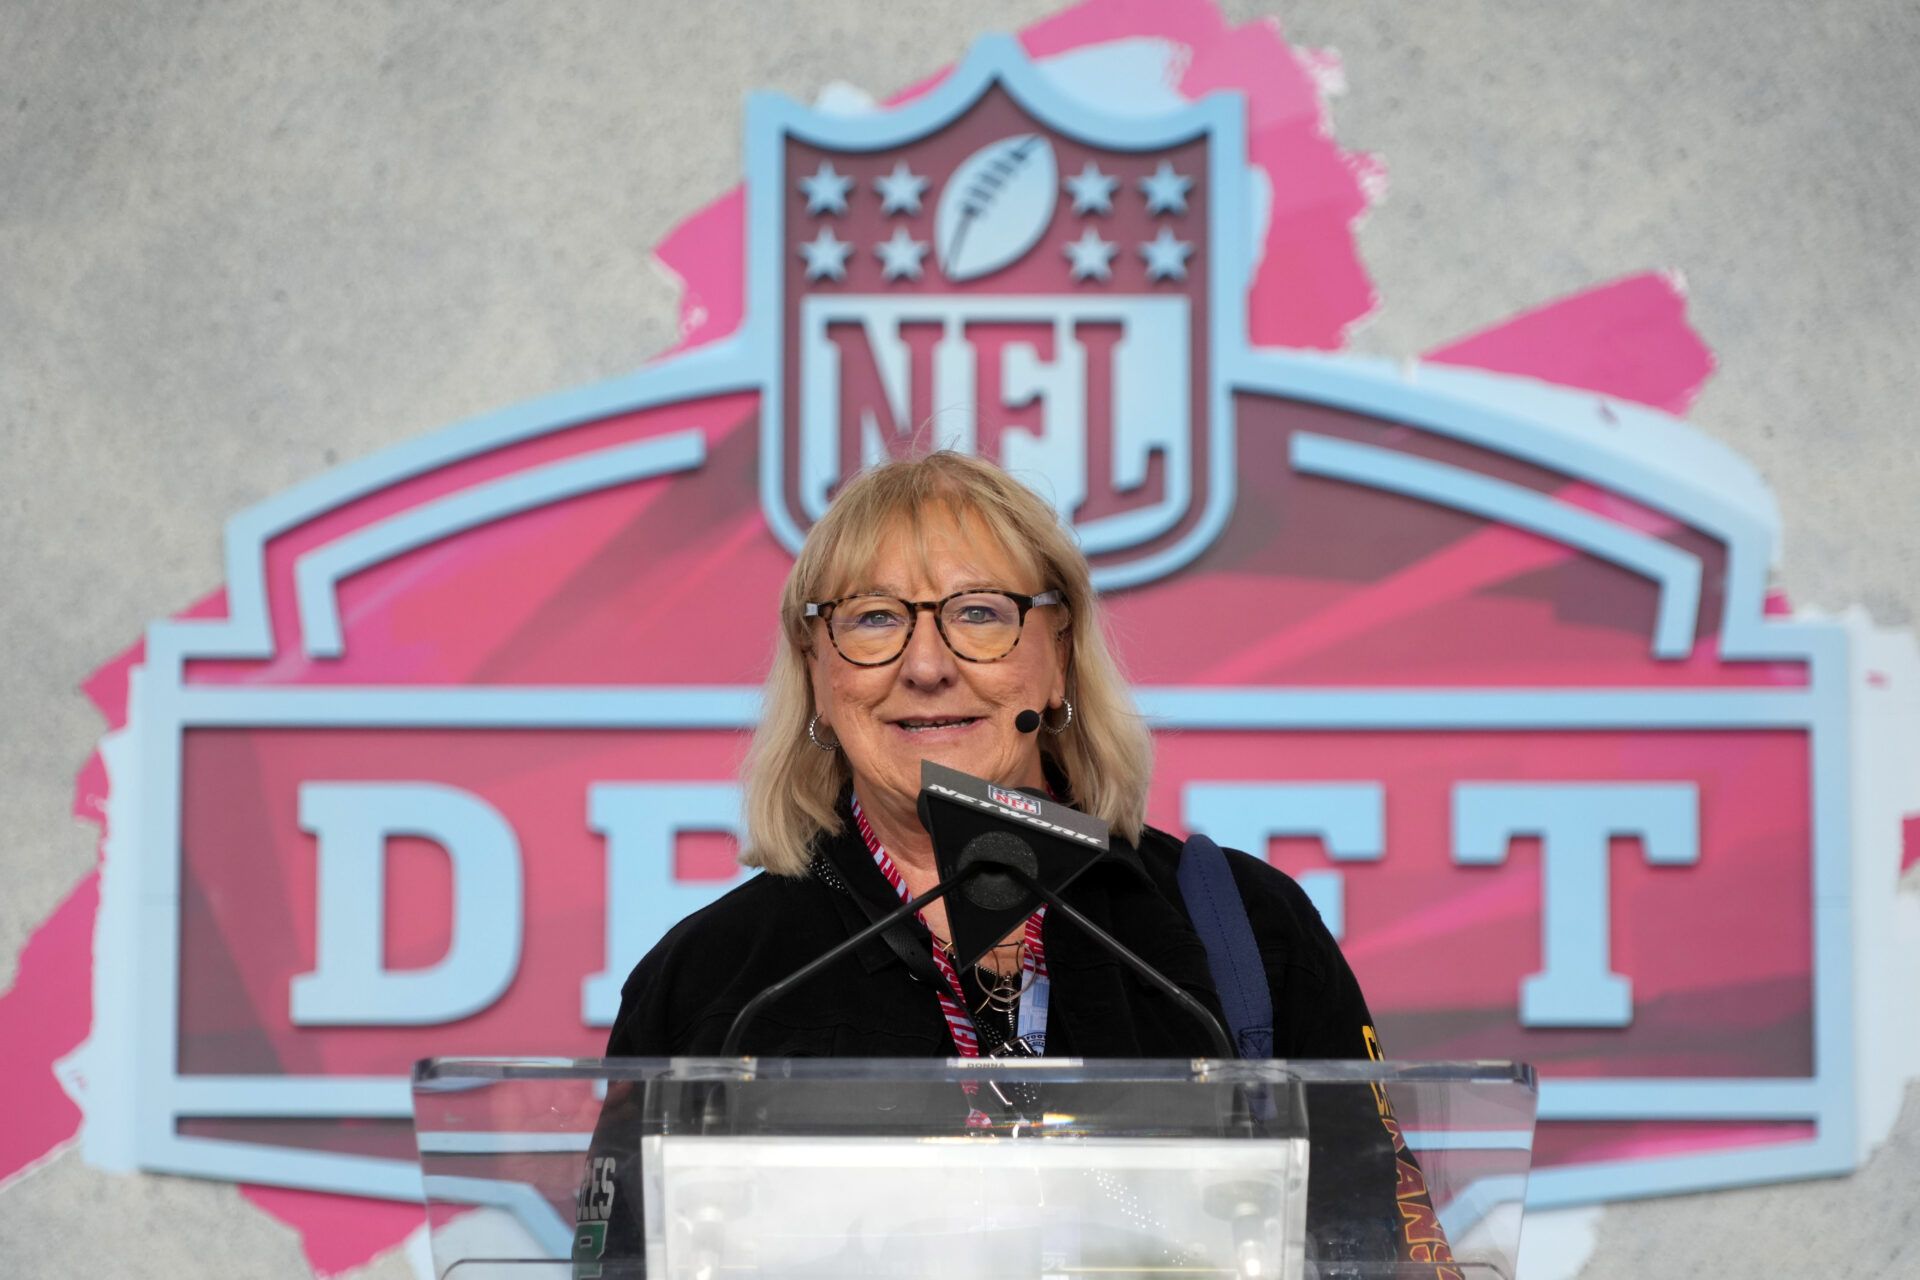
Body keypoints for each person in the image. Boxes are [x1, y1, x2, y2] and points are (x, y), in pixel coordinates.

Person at [577, 451, 1450, 1275]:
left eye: (980, 614)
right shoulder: (711, 981)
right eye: (874, 619)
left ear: (1058, 654)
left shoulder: (1242, 929)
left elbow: (1388, 1247)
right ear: (817, 672)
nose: (926, 665)